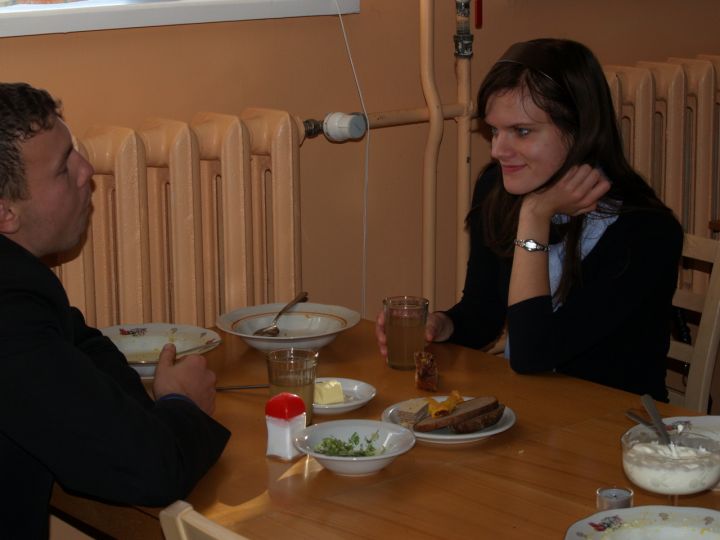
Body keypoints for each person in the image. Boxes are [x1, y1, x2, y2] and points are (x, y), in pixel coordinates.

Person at [376, 39, 682, 402]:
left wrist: (535, 215)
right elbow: (483, 313)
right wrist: (443, 324)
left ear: (580, 130)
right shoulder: (497, 188)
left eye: (521, 131)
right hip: (536, 410)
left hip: (619, 423)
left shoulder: (645, 232)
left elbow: (532, 354)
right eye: (494, 130)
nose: (497, 150)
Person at [0, 82, 230, 538]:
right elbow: (148, 469)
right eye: (63, 168)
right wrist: (183, 405)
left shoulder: (23, 289)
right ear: (6, 213)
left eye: (75, 150)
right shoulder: (10, 313)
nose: (87, 171)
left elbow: (84, 347)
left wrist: (142, 415)